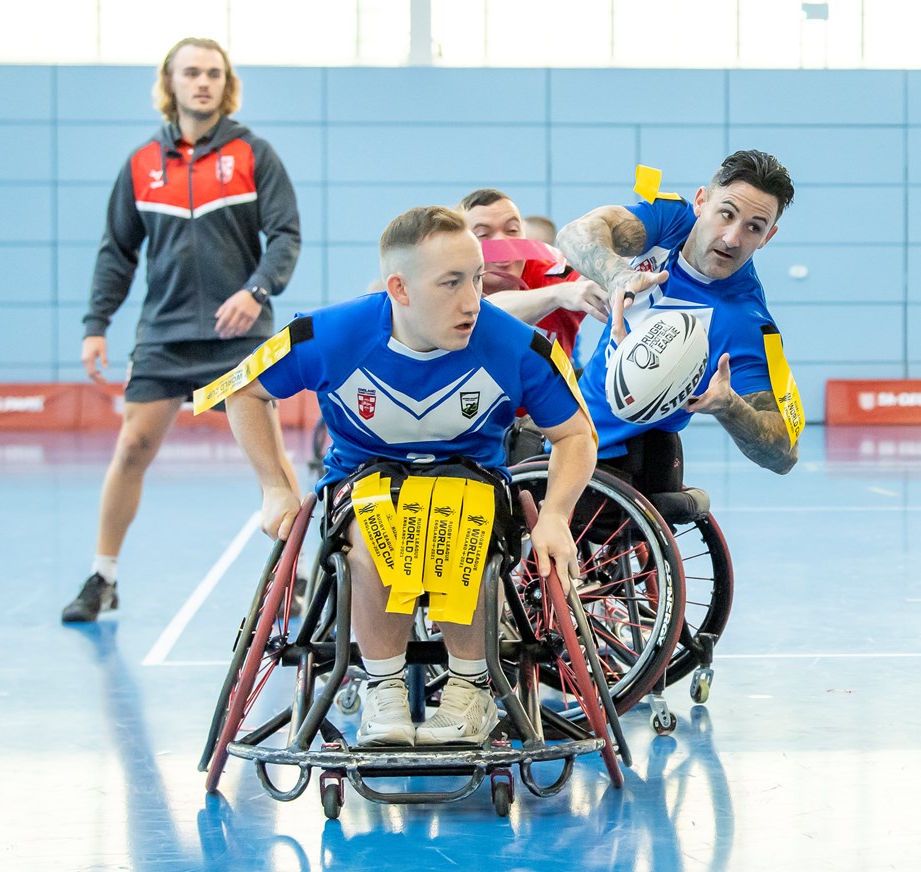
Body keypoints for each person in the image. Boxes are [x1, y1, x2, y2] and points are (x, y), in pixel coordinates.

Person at [216, 205, 596, 746]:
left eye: (477, 279)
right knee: (372, 545)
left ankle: (471, 692)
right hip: (365, 481)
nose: (472, 301)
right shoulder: (332, 334)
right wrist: (275, 485)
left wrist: (556, 515)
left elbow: (576, 435)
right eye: (451, 284)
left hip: (471, 481)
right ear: (400, 288)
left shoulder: (513, 344)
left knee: (456, 526)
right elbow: (243, 391)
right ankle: (384, 691)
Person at [62, 37, 301, 623]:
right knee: (133, 448)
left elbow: (285, 236)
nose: (203, 82)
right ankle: (103, 576)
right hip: (163, 335)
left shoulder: (253, 154)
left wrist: (256, 291)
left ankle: (293, 576)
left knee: (268, 457)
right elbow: (117, 251)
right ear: (170, 82)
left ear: (227, 84)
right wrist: (97, 325)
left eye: (214, 74)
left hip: (239, 334)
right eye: (191, 72)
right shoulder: (142, 163)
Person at [555, 149, 801, 489]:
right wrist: (617, 276)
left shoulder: (745, 323)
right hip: (565, 423)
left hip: (609, 464)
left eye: (753, 228)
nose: (732, 238)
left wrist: (730, 407)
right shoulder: (671, 222)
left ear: (767, 237)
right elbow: (573, 234)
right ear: (701, 202)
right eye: (726, 214)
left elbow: (786, 453)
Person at [457, 188, 608, 357]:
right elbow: (485, 316)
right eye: (483, 234)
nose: (503, 242)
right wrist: (559, 294)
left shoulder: (550, 272)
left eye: (512, 230)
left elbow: (589, 283)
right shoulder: (452, 284)